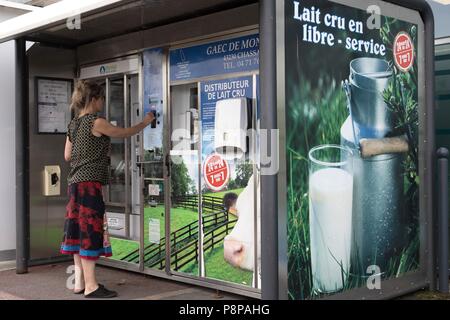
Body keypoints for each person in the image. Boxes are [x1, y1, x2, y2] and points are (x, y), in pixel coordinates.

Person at [60, 80, 155, 298]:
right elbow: (123, 132)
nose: (103, 101)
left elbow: (67, 155)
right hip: (90, 186)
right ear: (94, 99)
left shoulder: (74, 124)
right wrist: (147, 121)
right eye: (101, 98)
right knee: (90, 231)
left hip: (74, 185)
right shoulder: (96, 121)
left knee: (76, 231)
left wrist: (84, 155)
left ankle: (80, 283)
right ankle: (92, 287)